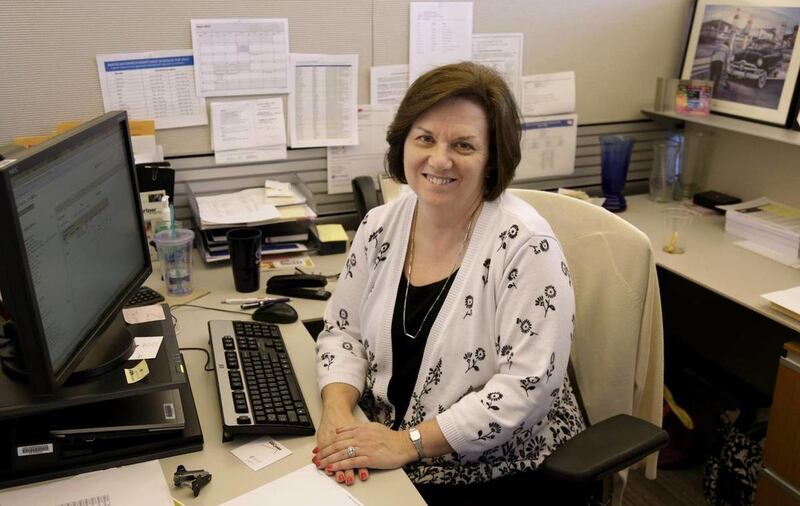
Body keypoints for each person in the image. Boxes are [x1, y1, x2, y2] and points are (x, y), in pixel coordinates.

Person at [313, 62, 585, 504]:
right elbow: (344, 331)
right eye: (425, 138)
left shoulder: (526, 246)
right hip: (383, 448)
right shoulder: (379, 226)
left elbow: (525, 388)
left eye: (463, 145)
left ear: (493, 158)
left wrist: (407, 443)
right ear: (403, 142)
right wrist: (338, 412)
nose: (439, 160)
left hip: (494, 468)